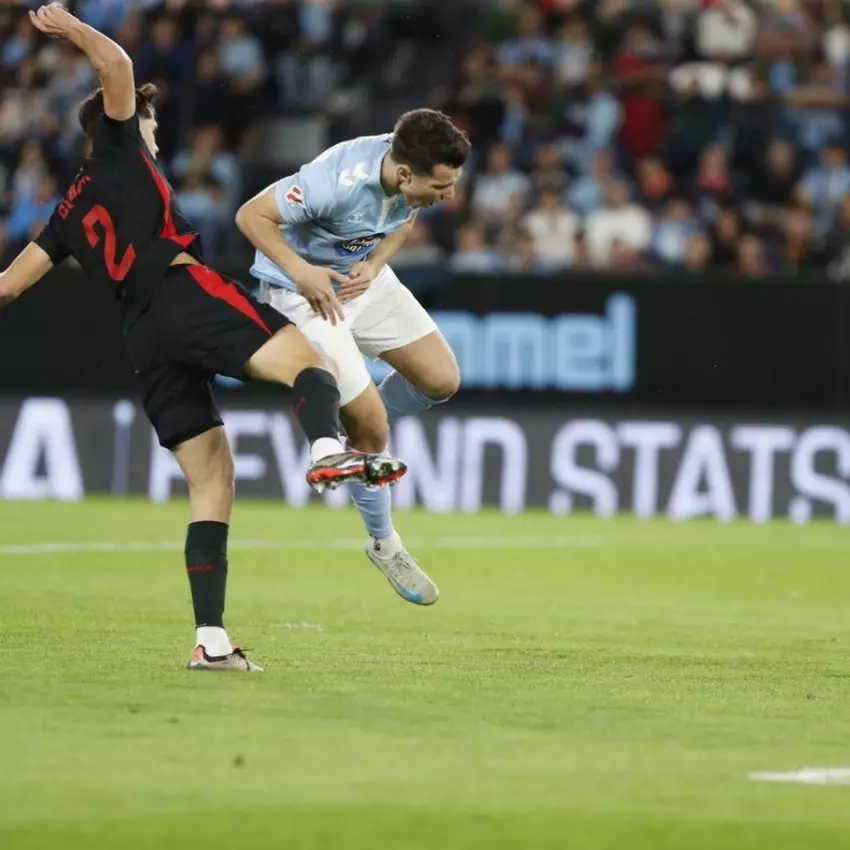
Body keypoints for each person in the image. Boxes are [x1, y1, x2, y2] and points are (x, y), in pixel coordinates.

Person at [0, 5, 407, 672]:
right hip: (184, 291)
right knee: (310, 360)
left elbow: (8, 288)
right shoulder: (120, 147)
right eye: (150, 123)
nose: (156, 135)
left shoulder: (65, 214)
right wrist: (69, 27)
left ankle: (211, 640)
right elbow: (117, 64)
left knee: (212, 479)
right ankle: (326, 448)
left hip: (143, 336)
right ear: (125, 120)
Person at [236, 109, 471, 607]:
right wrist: (302, 272)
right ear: (405, 174)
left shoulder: (408, 165)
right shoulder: (334, 183)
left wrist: (375, 262)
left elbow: (404, 218)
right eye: (442, 186)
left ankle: (358, 430)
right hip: (305, 293)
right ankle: (384, 543)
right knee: (372, 429)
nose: (449, 195)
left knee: (440, 379)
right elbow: (250, 216)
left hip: (359, 277)